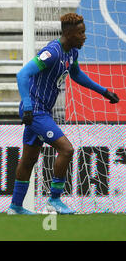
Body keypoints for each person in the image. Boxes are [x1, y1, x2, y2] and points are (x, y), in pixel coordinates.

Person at [8, 13, 120, 215]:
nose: (85, 36)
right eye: (81, 32)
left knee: (28, 160)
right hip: (35, 111)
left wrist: (103, 91)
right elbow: (23, 74)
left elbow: (76, 74)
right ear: (69, 33)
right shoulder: (52, 53)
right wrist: (27, 106)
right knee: (67, 150)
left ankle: (15, 207)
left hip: (42, 110)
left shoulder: (71, 53)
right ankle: (54, 200)